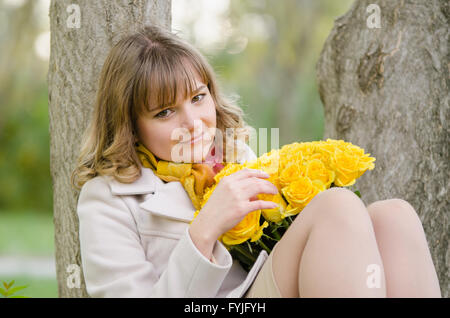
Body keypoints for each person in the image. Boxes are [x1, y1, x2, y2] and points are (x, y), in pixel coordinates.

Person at [71, 24, 441, 298]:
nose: (193, 122)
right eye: (165, 111)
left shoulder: (237, 160)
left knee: (394, 215)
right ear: (131, 126)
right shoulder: (108, 197)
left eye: (198, 98)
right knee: (336, 207)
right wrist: (205, 229)